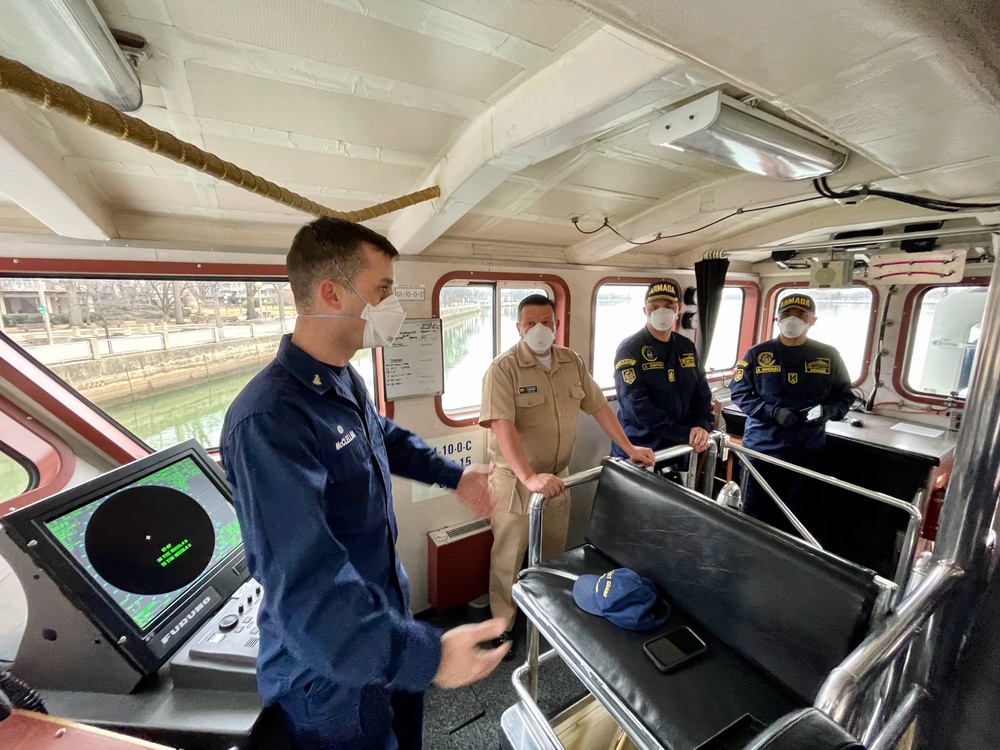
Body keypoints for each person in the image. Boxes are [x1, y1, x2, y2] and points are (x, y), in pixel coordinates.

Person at [220, 218, 509, 750]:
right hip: (333, 667)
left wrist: (453, 474)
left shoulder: (343, 378)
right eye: (382, 291)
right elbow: (305, 580)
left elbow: (383, 435)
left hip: (383, 623)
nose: (390, 307)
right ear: (331, 292)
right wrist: (429, 657)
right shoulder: (268, 419)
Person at [480, 294, 655, 643]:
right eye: (531, 323)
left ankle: (544, 614)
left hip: (558, 478)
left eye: (547, 322)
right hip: (515, 481)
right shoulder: (503, 369)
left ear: (557, 326)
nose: (539, 329)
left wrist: (630, 446)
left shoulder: (571, 362)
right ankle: (503, 625)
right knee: (508, 557)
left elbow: (599, 407)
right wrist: (529, 476)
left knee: (552, 554)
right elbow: (502, 425)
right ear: (519, 327)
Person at [729, 293, 853, 530]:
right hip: (761, 450)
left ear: (812, 321)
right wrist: (771, 412)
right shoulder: (757, 353)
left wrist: (827, 411)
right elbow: (739, 393)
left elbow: (845, 396)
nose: (792, 319)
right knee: (753, 513)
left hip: (805, 451)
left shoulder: (828, 355)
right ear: (777, 318)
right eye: (787, 314)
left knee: (796, 516)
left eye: (800, 315)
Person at [613, 280, 714, 474]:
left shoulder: (686, 347)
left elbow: (701, 392)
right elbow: (636, 405)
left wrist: (701, 425)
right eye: (655, 307)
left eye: (668, 306)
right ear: (645, 310)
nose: (662, 311)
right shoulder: (630, 349)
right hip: (641, 450)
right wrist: (684, 433)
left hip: (679, 449)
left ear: (679, 309)